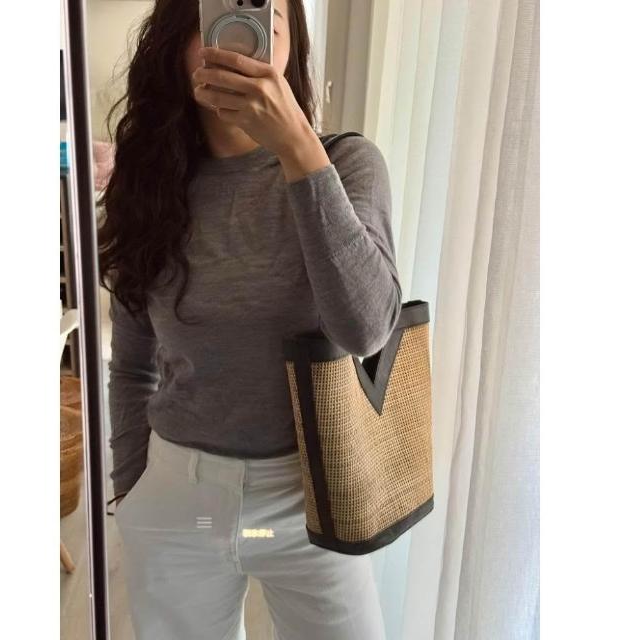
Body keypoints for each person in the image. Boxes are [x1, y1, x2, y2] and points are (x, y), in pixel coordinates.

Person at [98, 1, 401, 638]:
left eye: (263, 15)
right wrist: (132, 490)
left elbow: (367, 330)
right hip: (183, 504)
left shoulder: (346, 163)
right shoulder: (149, 188)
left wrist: (297, 148)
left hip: (310, 500)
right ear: (178, 39)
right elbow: (130, 364)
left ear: (289, 44)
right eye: (217, 15)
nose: (239, 35)